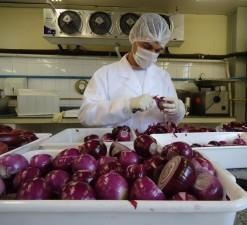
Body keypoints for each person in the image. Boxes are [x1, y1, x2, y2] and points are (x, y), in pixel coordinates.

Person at [78, 13, 185, 132]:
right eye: (147, 46)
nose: (152, 53)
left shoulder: (163, 77)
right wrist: (127, 105)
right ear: (134, 40)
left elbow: (171, 123)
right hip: (118, 145)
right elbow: (86, 115)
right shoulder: (105, 74)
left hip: (155, 146)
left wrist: (177, 112)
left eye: (157, 50)